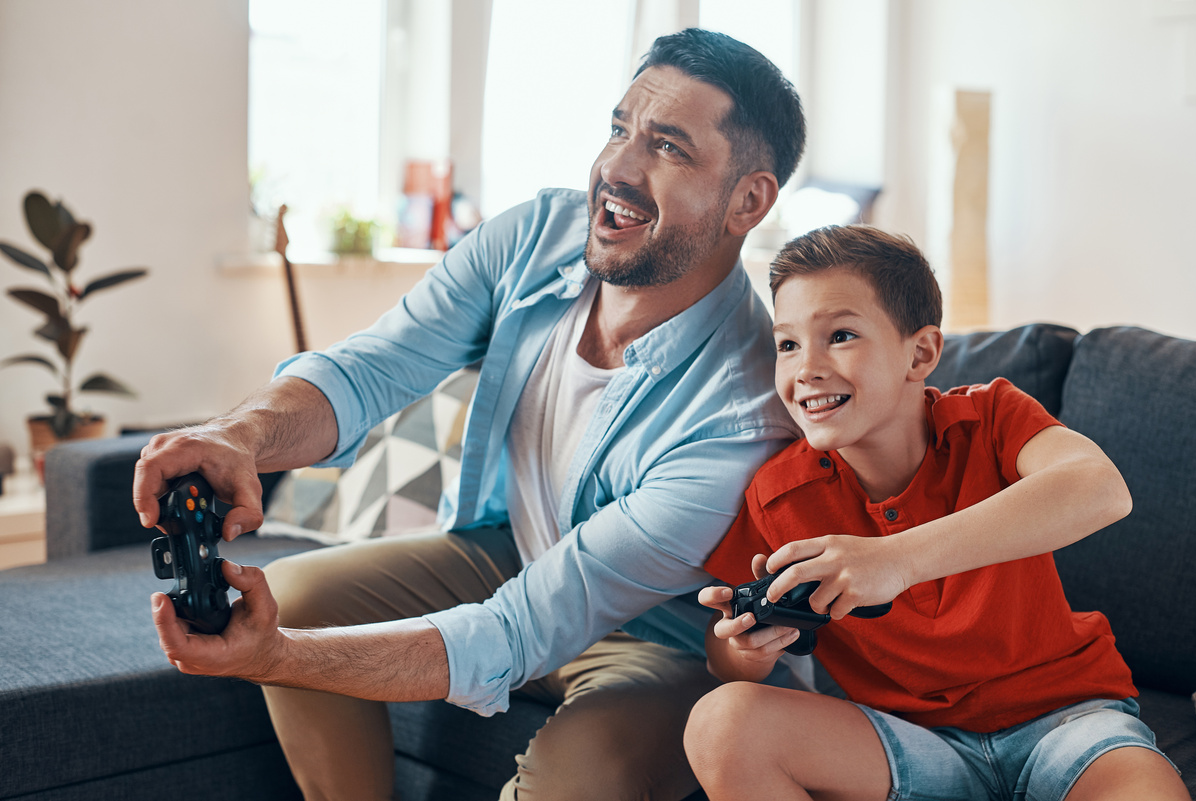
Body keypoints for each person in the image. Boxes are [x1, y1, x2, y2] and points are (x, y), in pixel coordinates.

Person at [134, 28, 807, 801]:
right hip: (515, 553)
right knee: (298, 591)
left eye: (668, 148)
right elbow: (371, 369)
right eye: (618, 129)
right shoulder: (534, 238)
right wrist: (240, 436)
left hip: (661, 635)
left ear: (748, 200)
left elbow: (515, 632)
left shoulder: (741, 411)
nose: (615, 169)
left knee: (574, 779)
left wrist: (274, 656)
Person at [686, 225, 1189, 801]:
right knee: (721, 723)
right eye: (788, 344)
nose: (807, 368)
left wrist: (893, 560)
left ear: (920, 353)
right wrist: (742, 648)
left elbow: (1100, 490)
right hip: (910, 745)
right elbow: (724, 660)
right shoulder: (778, 493)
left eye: (841, 335)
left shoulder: (991, 417)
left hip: (1068, 720)